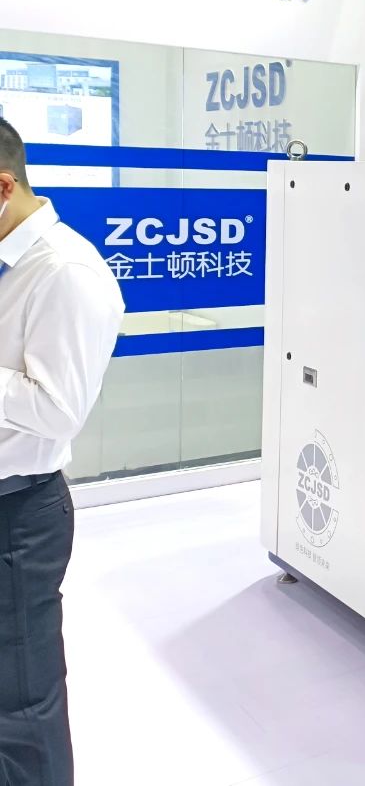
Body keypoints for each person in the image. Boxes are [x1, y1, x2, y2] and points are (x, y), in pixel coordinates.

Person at [0, 117, 124, 786]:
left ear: (4, 186)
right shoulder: (7, 261)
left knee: (22, 705)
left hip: (18, 518)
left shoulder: (66, 272)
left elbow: (57, 408)